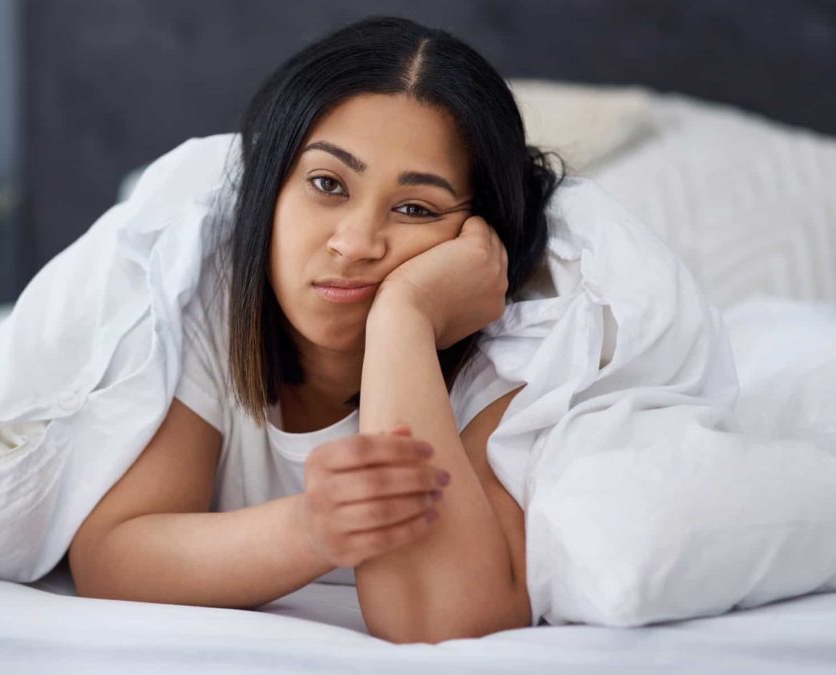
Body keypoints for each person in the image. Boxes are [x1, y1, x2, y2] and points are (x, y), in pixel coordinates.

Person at [68, 15, 563, 645]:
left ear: (477, 235)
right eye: (327, 184)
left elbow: (439, 620)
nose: (355, 243)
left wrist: (404, 318)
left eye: (416, 208)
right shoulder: (207, 295)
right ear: (269, 189)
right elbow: (110, 555)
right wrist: (310, 530)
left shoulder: (514, 349)